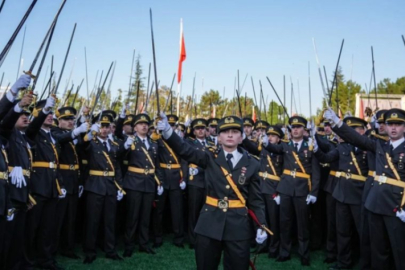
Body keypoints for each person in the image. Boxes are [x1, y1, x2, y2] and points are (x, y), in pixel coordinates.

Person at [156, 114, 268, 270]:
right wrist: (168, 131)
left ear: (241, 138)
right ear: (219, 138)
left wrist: (261, 225)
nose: (230, 135)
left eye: (235, 131)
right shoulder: (209, 157)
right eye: (225, 131)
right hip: (209, 224)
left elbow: (256, 200)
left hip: (238, 227)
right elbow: (185, 150)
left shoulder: (253, 164)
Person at [324, 107, 405, 270]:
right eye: (390, 124)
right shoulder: (380, 145)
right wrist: (337, 123)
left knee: (400, 250)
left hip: (397, 206)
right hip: (376, 204)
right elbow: (356, 139)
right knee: (378, 250)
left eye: (398, 124)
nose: (393, 128)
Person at [264, 116, 320, 266]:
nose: (295, 130)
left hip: (302, 190)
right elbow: (273, 148)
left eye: (298, 127)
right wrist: (264, 141)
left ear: (304, 130)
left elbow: (316, 172)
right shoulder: (285, 146)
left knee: (303, 225)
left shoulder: (310, 146)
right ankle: (284, 252)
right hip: (286, 189)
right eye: (292, 127)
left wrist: (314, 192)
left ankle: (304, 254)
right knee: (285, 223)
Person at [314, 116, 369, 269]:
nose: (349, 133)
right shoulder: (342, 147)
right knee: (342, 231)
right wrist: (317, 149)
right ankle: (344, 262)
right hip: (342, 193)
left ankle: (365, 262)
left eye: (354, 130)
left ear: (362, 131)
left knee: (363, 232)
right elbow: (327, 157)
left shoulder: (367, 147)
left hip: (359, 194)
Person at [82, 112, 125, 264]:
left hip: (110, 186)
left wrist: (119, 186)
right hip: (95, 185)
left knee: (110, 221)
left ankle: (110, 250)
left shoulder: (114, 145)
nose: (105, 129)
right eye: (102, 126)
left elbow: (117, 167)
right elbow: (83, 146)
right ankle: (90, 251)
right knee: (92, 221)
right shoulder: (91, 142)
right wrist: (89, 132)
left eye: (107, 126)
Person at [0, 75, 32, 269]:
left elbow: (5, 123)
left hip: (4, 195)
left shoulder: (3, 134)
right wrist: (12, 92)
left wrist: (18, 106)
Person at [121, 113, 163, 257]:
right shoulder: (130, 141)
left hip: (149, 183)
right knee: (132, 216)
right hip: (134, 182)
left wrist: (159, 181)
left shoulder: (153, 143)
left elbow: (156, 165)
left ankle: (143, 244)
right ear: (135, 127)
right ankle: (129, 245)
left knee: (146, 216)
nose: (144, 126)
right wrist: (125, 146)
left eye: (146, 124)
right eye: (140, 124)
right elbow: (119, 157)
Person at [51, 106, 88, 259]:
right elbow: (62, 139)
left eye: (72, 119)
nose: (70, 122)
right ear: (58, 121)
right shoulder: (55, 132)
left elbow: (81, 154)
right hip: (62, 179)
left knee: (70, 218)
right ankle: (52, 249)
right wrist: (77, 132)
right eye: (66, 119)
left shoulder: (74, 136)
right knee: (57, 218)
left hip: (73, 179)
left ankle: (68, 247)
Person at [243, 125, 284, 259]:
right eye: (269, 135)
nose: (270, 138)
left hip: (273, 188)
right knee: (261, 219)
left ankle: (274, 247)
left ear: (279, 139)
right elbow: (252, 149)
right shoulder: (263, 149)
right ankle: (262, 244)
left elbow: (285, 173)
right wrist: (244, 138)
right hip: (261, 186)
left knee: (273, 220)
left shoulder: (282, 151)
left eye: (273, 136)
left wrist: (279, 191)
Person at [152, 114, 186, 248]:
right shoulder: (157, 139)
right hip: (162, 176)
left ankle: (179, 238)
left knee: (177, 210)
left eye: (173, 125)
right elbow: (154, 160)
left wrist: (184, 178)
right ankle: (157, 237)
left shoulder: (177, 140)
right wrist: (158, 180)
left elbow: (184, 159)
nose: (171, 127)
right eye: (169, 124)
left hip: (176, 177)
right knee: (159, 210)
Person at [185, 118, 215, 249]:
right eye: (197, 128)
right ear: (193, 131)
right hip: (195, 180)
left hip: (208, 181)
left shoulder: (211, 142)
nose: (200, 130)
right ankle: (193, 239)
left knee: (207, 212)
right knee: (193, 212)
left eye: (203, 128)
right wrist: (185, 178)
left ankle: (205, 237)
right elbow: (184, 161)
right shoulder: (189, 143)